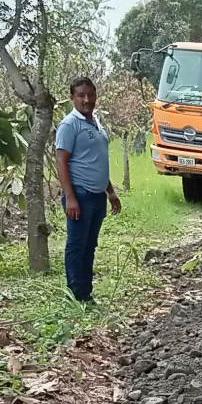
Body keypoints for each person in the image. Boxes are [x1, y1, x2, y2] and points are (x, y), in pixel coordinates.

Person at [55, 75, 119, 304]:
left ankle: (86, 293)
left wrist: (110, 191)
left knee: (90, 245)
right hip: (80, 195)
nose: (86, 99)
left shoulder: (95, 123)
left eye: (90, 95)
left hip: (97, 196)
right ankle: (75, 295)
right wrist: (70, 197)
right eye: (81, 95)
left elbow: (96, 161)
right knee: (77, 246)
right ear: (72, 97)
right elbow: (61, 161)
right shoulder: (69, 125)